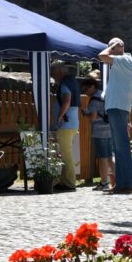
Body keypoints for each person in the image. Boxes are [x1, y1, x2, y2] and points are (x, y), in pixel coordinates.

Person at [98, 37, 132, 194]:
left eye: (113, 47)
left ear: (120, 46)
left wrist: (113, 46)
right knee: (119, 147)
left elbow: (102, 56)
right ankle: (122, 183)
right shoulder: (123, 63)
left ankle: (127, 184)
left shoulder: (124, 60)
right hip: (117, 108)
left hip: (118, 108)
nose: (110, 51)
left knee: (122, 147)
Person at [51, 61, 80, 191]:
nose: (53, 77)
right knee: (65, 153)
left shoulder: (64, 84)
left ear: (60, 73)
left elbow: (67, 101)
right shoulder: (73, 81)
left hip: (66, 124)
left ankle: (69, 183)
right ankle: (63, 181)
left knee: (65, 154)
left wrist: (60, 116)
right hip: (73, 123)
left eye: (53, 74)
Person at [80, 77, 114, 191]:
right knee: (110, 157)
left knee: (102, 158)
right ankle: (119, 180)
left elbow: (93, 117)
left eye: (86, 90)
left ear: (92, 86)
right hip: (110, 129)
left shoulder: (94, 100)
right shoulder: (103, 94)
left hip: (99, 132)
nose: (85, 93)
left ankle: (104, 182)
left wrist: (86, 113)